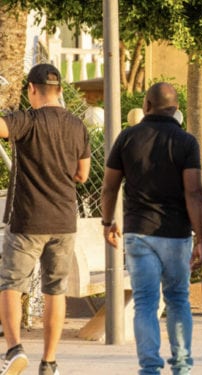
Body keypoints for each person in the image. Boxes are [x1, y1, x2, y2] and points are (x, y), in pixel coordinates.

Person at [101, 82, 202, 375]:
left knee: (145, 301)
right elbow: (195, 193)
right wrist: (201, 237)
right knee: (177, 298)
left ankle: (149, 368)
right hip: (175, 234)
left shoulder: (127, 138)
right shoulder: (186, 142)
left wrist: (107, 222)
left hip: (138, 234)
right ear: (176, 110)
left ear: (146, 105)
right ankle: (182, 365)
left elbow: (109, 188)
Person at [0, 63, 91, 375]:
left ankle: (14, 350)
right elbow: (83, 174)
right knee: (55, 289)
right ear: (61, 90)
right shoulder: (77, 125)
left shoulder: (27, 120)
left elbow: (2, 128)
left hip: (28, 220)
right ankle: (49, 362)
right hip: (64, 220)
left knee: (11, 284)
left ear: (31, 90)